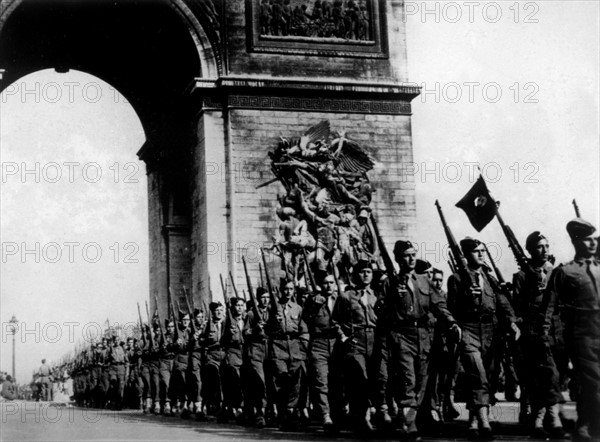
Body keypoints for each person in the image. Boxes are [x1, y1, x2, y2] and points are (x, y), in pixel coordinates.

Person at [381, 240, 457, 440]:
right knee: (408, 379)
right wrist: (393, 299)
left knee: (422, 381)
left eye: (414, 254)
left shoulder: (424, 280)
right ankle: (408, 425)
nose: (412, 258)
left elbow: (438, 304)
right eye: (406, 255)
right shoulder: (389, 282)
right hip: (401, 334)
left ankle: (411, 419)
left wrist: (451, 322)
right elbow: (381, 315)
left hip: (423, 335)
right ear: (397, 258)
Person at [447, 237, 519, 438]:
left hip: (490, 331)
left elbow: (502, 302)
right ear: (466, 255)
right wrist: (466, 297)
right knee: (477, 374)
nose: (480, 254)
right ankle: (484, 422)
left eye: (483, 251)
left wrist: (511, 321)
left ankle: (473, 420)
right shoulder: (457, 279)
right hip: (468, 329)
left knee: (488, 375)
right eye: (476, 251)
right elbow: (451, 308)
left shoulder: (489, 277)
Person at [545, 219, 599, 441]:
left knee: (592, 384)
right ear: (575, 240)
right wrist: (544, 334)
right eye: (587, 239)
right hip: (582, 335)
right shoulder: (565, 272)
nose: (593, 243)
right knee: (593, 382)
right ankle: (586, 425)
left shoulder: (599, 268)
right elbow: (549, 305)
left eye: (594, 238)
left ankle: (587, 424)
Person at [512, 232, 566, 438]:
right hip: (534, 332)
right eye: (539, 247)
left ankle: (542, 417)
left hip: (556, 331)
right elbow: (518, 307)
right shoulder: (522, 277)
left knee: (555, 375)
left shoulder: (556, 274)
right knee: (544, 375)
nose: (544, 250)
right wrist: (534, 290)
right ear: (529, 251)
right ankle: (546, 417)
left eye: (547, 246)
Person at [338, 259, 388, 434]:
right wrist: (344, 337)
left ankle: (382, 410)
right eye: (362, 272)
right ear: (354, 275)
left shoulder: (377, 294)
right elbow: (336, 321)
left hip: (375, 339)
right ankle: (362, 418)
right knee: (359, 378)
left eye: (369, 271)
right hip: (356, 340)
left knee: (381, 377)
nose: (366, 275)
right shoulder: (346, 297)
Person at [302, 270, 345, 433]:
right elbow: (305, 319)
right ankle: (325, 415)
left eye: (331, 282)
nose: (329, 285)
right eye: (326, 283)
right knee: (321, 381)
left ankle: (338, 414)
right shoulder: (312, 300)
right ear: (321, 285)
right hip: (319, 342)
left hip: (336, 343)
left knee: (337, 381)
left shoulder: (340, 299)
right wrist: (314, 305)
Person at [265, 279, 309, 430]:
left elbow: (304, 329)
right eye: (285, 289)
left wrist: (304, 344)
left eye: (291, 289)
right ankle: (283, 413)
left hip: (294, 347)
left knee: (295, 381)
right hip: (278, 346)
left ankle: (291, 412)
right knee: (282, 380)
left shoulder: (297, 308)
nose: (288, 292)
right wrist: (273, 321)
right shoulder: (272, 308)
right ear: (280, 290)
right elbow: (266, 330)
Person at [243, 287, 271, 427]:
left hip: (271, 348)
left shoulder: (272, 311)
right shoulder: (251, 313)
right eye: (263, 297)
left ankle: (271, 411)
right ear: (258, 299)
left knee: (271, 381)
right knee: (260, 382)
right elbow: (245, 332)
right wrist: (255, 329)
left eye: (267, 297)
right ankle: (260, 413)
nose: (265, 300)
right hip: (256, 349)